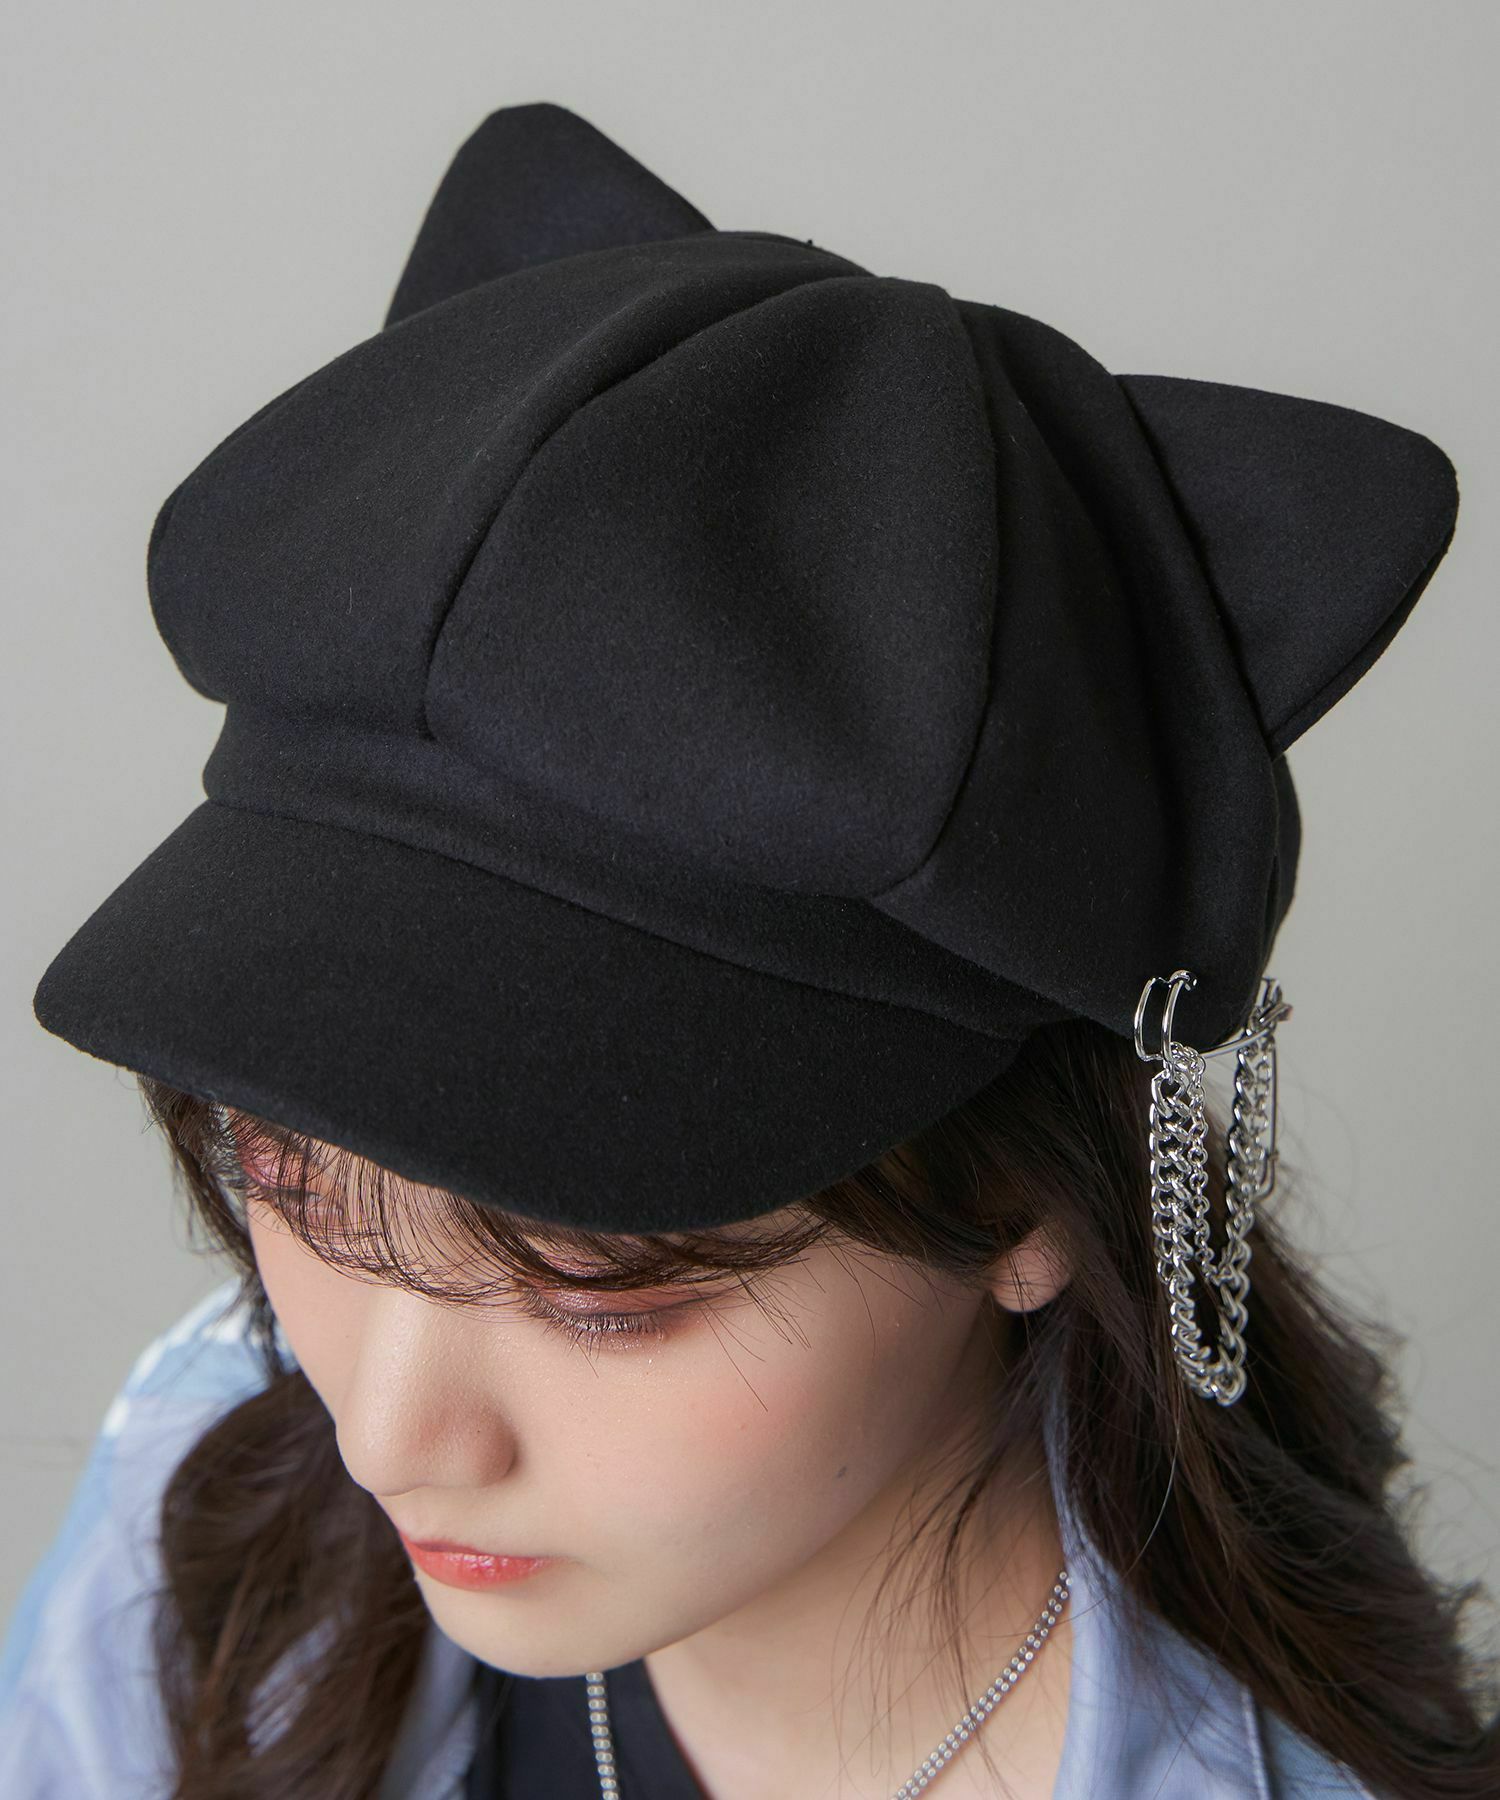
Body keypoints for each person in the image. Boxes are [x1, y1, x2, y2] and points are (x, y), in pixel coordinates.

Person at [4, 102, 1496, 1799]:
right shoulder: (214, 1493)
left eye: (596, 1290)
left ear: (1027, 1202)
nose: (387, 1434)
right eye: (293, 1178)